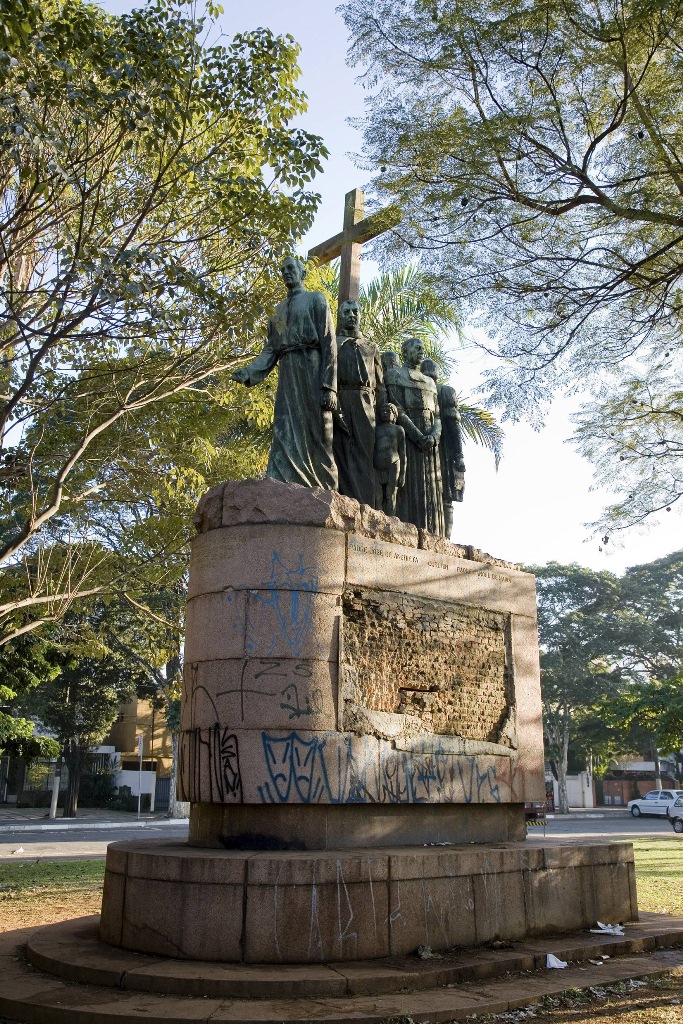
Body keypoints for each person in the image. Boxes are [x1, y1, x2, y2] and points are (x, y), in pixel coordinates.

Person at [231, 257, 338, 490]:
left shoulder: (316, 299)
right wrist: (249, 372)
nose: (286, 272)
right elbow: (270, 349)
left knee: (318, 428)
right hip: (288, 371)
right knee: (284, 425)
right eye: (282, 270)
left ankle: (324, 485)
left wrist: (329, 386)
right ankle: (281, 481)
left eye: (291, 268)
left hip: (311, 367)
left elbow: (329, 343)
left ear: (302, 273)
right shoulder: (276, 311)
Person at [385, 338, 444, 534]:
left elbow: (437, 415)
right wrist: (418, 436)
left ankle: (434, 536)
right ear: (405, 352)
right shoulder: (394, 375)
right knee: (410, 487)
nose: (421, 351)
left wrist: (434, 437)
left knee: (432, 490)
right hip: (409, 438)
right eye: (417, 348)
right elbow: (398, 410)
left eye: (422, 348)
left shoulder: (430, 382)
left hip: (430, 442)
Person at [333, 299, 385, 505]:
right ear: (340, 316)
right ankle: (341, 502)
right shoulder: (334, 344)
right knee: (340, 451)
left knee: (365, 454)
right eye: (346, 312)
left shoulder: (371, 347)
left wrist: (384, 413)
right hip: (340, 398)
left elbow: (380, 385)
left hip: (366, 402)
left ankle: (365, 506)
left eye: (355, 311)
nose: (351, 315)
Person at [421, 358, 466, 538]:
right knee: (445, 497)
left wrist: (458, 454)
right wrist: (459, 454)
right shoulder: (440, 390)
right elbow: (454, 426)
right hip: (434, 448)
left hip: (443, 449)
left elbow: (453, 426)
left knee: (445, 495)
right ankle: (442, 537)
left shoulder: (444, 391)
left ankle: (444, 539)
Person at [373, 402, 406, 516]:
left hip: (393, 464)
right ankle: (377, 518)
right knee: (378, 496)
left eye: (388, 411)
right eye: (383, 411)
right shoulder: (376, 429)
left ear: (394, 415)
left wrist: (402, 474)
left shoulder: (398, 429)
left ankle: (391, 519)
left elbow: (403, 453)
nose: (385, 413)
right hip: (377, 466)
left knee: (391, 494)